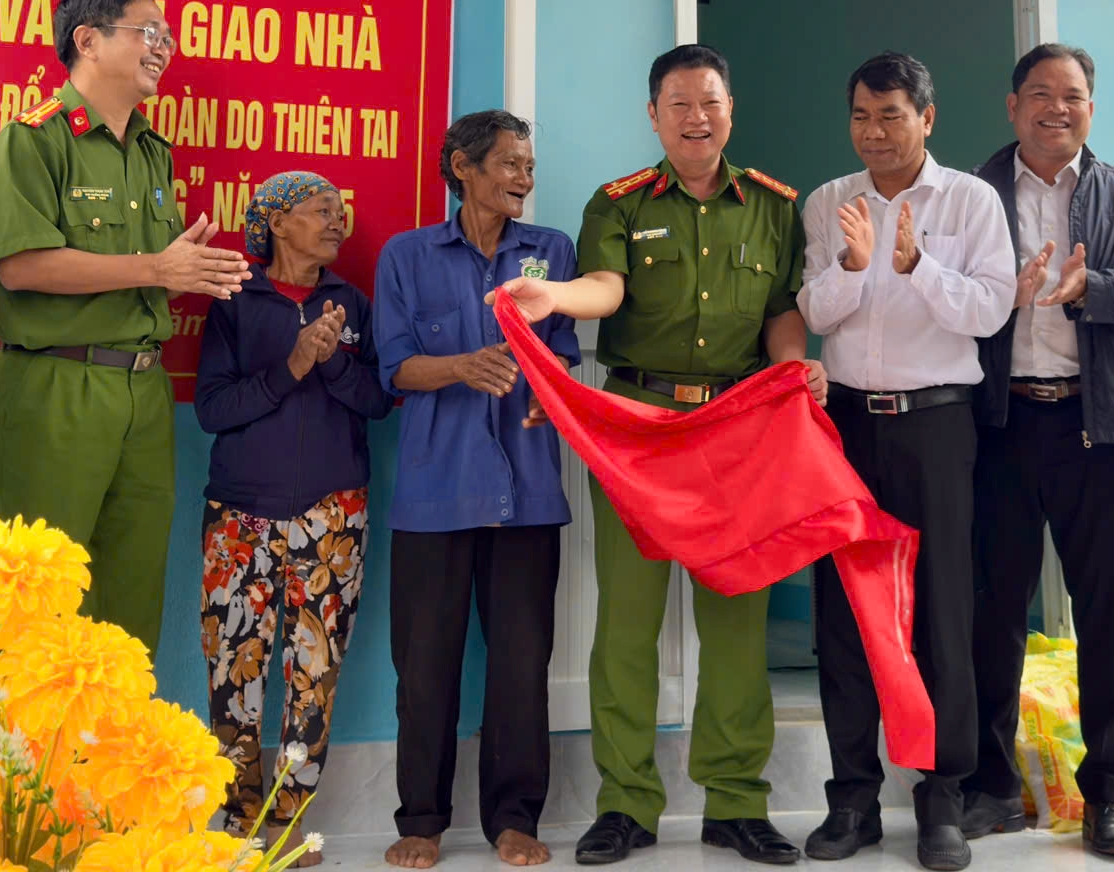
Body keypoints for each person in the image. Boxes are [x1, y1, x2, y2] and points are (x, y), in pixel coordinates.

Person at [495, 44, 824, 868]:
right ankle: (627, 804)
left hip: (737, 427)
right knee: (628, 624)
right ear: (654, 115)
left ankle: (737, 803)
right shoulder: (619, 203)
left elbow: (784, 310)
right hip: (639, 427)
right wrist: (557, 297)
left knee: (737, 624)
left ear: (730, 109)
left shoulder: (776, 207)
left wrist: (792, 368)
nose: (696, 118)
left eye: (709, 102)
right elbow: (605, 288)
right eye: (678, 104)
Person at [0, 0, 249, 651]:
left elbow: (148, 273)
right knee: (35, 605)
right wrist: (159, 268)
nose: (164, 47)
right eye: (147, 32)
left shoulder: (152, 152)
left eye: (168, 36)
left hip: (143, 390)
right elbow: (23, 265)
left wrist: (190, 272)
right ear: (88, 40)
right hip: (54, 389)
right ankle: (26, 759)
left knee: (130, 602)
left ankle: (116, 757)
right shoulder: (33, 139)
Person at [796, 53, 1015, 872]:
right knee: (846, 614)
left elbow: (993, 309)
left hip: (937, 424)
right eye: (860, 115)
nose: (874, 131)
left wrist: (916, 265)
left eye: (890, 114)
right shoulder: (828, 202)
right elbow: (811, 308)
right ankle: (851, 801)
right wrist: (854, 268)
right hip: (847, 426)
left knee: (941, 614)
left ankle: (941, 800)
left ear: (928, 117)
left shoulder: (970, 200)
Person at [962, 44, 1114, 857]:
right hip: (998, 425)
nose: (1056, 108)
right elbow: (935, 295)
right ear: (1012, 107)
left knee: (1110, 616)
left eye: (1072, 95)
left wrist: (1097, 290)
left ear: (1091, 107)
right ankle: (987, 786)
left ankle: (1112, 795)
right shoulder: (969, 194)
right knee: (989, 615)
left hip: (1100, 426)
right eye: (1039, 94)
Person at [376, 111, 581, 869]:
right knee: (424, 668)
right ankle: (422, 820)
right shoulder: (407, 256)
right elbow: (392, 369)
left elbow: (560, 355)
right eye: (510, 163)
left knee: (523, 664)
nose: (525, 177)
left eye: (530, 164)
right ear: (462, 168)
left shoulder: (547, 253)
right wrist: (463, 366)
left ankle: (515, 819)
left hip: (527, 494)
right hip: (434, 497)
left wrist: (542, 388)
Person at [196, 171, 391, 861]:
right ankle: (240, 819)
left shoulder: (352, 303)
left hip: (332, 516)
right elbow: (212, 409)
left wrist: (333, 359)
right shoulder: (235, 300)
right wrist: (294, 364)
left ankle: (288, 819)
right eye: (319, 211)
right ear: (276, 224)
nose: (337, 222)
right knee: (234, 670)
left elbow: (377, 400)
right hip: (241, 514)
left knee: (316, 672)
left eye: (340, 212)